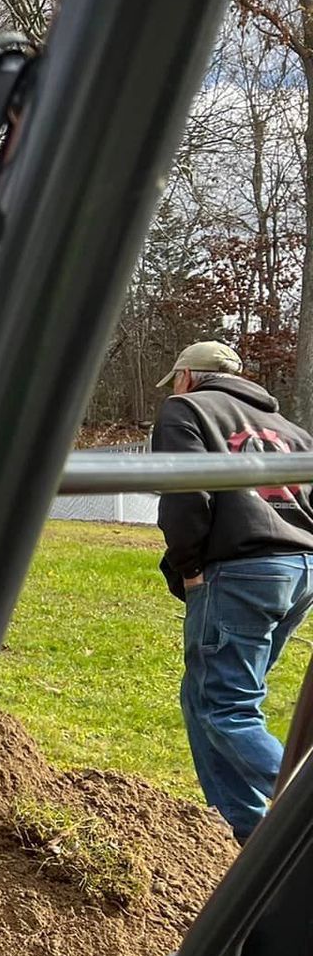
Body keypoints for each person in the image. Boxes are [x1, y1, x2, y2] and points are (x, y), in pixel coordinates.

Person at [152, 340, 313, 841]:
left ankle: (298, 813)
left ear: (187, 376)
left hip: (241, 570)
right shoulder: (291, 430)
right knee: (205, 699)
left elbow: (185, 494)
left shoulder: (186, 409)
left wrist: (189, 568)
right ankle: (246, 831)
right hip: (301, 568)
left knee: (225, 706)